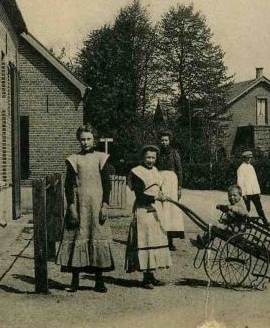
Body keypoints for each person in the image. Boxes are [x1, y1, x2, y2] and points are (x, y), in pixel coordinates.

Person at [56, 125, 114, 293]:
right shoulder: (74, 159)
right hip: (80, 205)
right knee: (77, 239)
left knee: (97, 237)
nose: (86, 142)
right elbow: (68, 186)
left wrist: (105, 205)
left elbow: (107, 185)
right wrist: (72, 207)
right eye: (82, 139)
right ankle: (74, 281)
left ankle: (99, 281)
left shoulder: (101, 158)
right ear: (78, 140)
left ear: (94, 140)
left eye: (89, 139)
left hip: (96, 206)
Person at [125, 145, 172, 289]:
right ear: (142, 158)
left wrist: (162, 195)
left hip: (156, 211)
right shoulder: (137, 172)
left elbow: (158, 188)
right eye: (148, 157)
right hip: (143, 211)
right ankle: (146, 278)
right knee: (145, 241)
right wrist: (156, 197)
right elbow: (140, 195)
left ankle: (152, 275)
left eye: (153, 157)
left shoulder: (156, 171)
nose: (150, 160)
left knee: (155, 240)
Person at [155, 130, 185, 251]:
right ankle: (159, 238)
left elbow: (179, 170)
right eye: (162, 140)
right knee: (160, 208)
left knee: (171, 210)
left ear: (169, 141)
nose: (164, 142)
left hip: (172, 182)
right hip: (160, 180)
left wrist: (179, 187)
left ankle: (170, 241)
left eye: (166, 140)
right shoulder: (156, 153)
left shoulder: (174, 153)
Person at [236, 150, 270, 226]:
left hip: (254, 192)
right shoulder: (241, 168)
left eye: (250, 158)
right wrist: (243, 194)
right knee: (246, 209)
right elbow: (240, 182)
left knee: (259, 208)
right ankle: (243, 223)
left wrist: (258, 192)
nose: (249, 159)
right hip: (247, 192)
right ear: (244, 158)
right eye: (247, 158)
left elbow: (255, 180)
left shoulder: (251, 167)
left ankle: (265, 222)